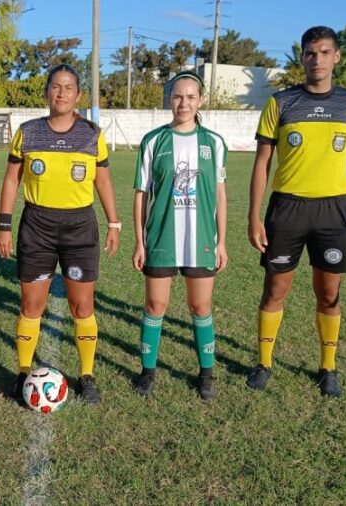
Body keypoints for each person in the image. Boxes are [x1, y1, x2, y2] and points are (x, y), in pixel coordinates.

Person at [246, 26, 346, 398]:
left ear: (336, 57)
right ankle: (264, 362)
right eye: (309, 53)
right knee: (275, 290)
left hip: (333, 211)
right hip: (287, 208)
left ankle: (328, 368)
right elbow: (262, 163)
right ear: (301, 58)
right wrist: (254, 215)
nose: (316, 59)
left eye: (323, 52)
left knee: (329, 294)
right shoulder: (281, 102)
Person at [0, 64, 120, 405]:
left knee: (82, 306)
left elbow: (103, 181)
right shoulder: (28, 132)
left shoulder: (92, 134)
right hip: (37, 224)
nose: (62, 93)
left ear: (78, 95)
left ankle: (87, 374)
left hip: (80, 226)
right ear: (47, 92)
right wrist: (4, 225)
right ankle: (23, 371)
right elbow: (11, 180)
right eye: (56, 86)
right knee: (31, 304)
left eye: (68, 88)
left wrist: (114, 222)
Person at [131, 70, 228, 401]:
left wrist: (222, 241)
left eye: (190, 96)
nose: (183, 102)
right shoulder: (153, 141)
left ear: (200, 100)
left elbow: (219, 194)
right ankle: (147, 371)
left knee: (200, 305)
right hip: (161, 237)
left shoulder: (213, 143)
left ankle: (206, 374)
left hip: (201, 237)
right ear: (169, 99)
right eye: (177, 96)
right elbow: (141, 193)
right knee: (156, 304)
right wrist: (140, 241)